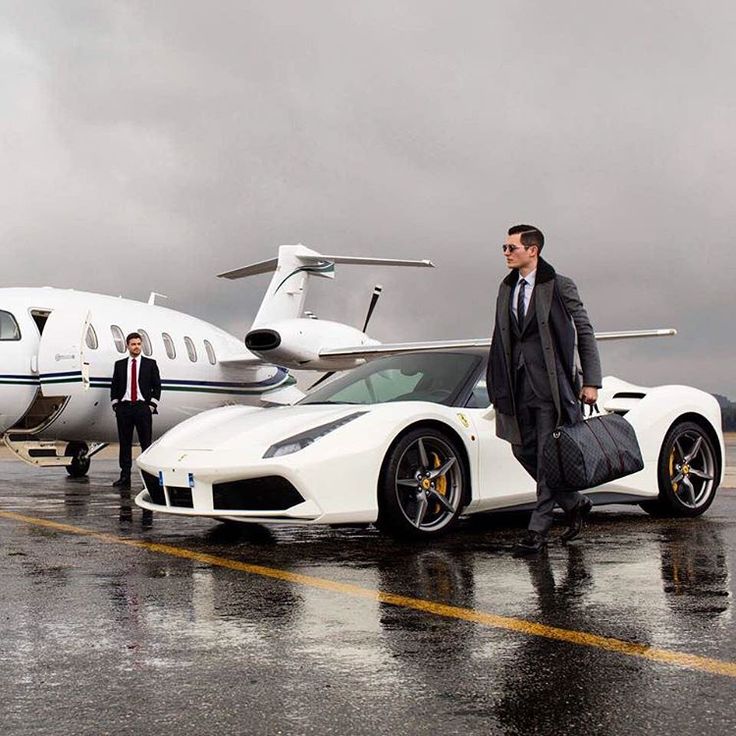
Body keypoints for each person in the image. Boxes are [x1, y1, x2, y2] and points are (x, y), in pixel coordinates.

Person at [487, 225, 602, 556]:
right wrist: (496, 384)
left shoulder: (559, 284)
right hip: (515, 385)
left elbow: (585, 330)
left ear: (532, 250)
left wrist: (591, 380)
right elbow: (500, 337)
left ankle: (536, 533)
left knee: (547, 457)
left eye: (511, 247)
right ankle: (574, 502)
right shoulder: (506, 288)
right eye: (505, 248)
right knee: (521, 450)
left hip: (550, 388)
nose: (506, 253)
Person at [110, 332, 161, 489]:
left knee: (146, 443)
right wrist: (115, 405)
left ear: (141, 345)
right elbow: (115, 385)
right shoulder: (119, 365)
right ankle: (125, 476)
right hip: (124, 408)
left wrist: (151, 405)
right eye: (133, 344)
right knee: (124, 443)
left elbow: (157, 386)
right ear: (127, 346)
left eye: (139, 344)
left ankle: (148, 478)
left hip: (142, 408)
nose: (136, 347)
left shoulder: (150, 364)